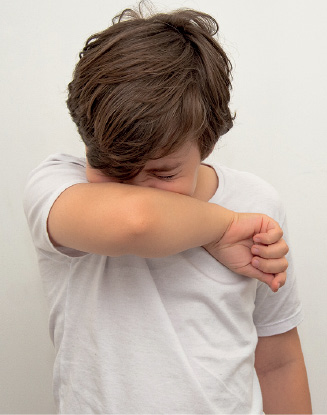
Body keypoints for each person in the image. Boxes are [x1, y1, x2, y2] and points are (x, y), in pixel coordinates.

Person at [23, 4, 311, 414]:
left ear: (206, 144)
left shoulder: (255, 202)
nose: (135, 186)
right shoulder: (57, 187)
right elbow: (137, 221)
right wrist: (220, 229)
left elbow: (279, 359)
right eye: (112, 167)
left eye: (161, 171)